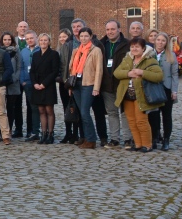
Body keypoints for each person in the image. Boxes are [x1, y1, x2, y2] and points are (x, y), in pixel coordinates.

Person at [114, 37, 164, 153]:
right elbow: (117, 73)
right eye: (132, 47)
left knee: (141, 121)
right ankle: (137, 144)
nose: (134, 49)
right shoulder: (127, 60)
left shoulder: (149, 60)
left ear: (143, 48)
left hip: (141, 95)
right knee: (131, 120)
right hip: (127, 95)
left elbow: (159, 76)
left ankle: (147, 144)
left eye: (137, 47)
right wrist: (128, 73)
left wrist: (142, 73)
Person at [70, 29, 104, 149]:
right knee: (80, 112)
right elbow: (71, 68)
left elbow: (99, 70)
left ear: (90, 37)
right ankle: (85, 137)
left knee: (85, 112)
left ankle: (91, 139)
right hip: (76, 84)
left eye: (86, 36)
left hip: (88, 84)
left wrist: (96, 87)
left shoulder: (95, 50)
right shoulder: (76, 51)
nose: (83, 38)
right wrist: (70, 86)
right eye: (81, 36)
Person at [99, 20, 131, 148]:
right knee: (112, 113)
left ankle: (128, 139)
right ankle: (114, 139)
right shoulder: (101, 44)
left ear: (119, 29)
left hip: (122, 84)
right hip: (107, 85)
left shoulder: (127, 44)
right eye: (108, 30)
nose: (110, 32)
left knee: (124, 113)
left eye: (112, 29)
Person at [28, 33, 61, 144]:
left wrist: (44, 84)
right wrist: (35, 83)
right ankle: (43, 133)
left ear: (49, 42)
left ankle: (50, 134)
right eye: (41, 40)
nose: (43, 42)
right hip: (37, 86)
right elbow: (32, 71)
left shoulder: (54, 54)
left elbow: (55, 71)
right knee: (41, 110)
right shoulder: (36, 54)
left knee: (49, 110)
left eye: (45, 40)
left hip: (48, 85)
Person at [148, 32, 178, 150]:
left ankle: (166, 139)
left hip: (166, 87)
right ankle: (155, 137)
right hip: (153, 88)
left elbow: (175, 75)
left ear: (166, 43)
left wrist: (174, 91)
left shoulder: (171, 56)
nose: (160, 43)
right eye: (158, 40)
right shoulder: (149, 54)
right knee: (153, 115)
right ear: (155, 41)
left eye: (163, 41)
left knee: (166, 115)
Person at [57, 29, 80, 144]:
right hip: (62, 83)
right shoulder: (59, 49)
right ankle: (68, 133)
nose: (62, 39)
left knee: (73, 108)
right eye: (60, 37)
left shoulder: (71, 48)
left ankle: (75, 134)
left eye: (64, 36)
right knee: (66, 108)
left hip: (71, 82)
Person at [0, 32, 24, 139]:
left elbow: (19, 67)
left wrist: (15, 78)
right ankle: (2, 129)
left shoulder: (16, 51)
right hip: (1, 83)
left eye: (9, 40)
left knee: (11, 108)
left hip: (13, 83)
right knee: (1, 108)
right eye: (5, 40)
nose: (7, 42)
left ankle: (9, 129)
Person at [18, 31, 40, 140]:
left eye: (32, 38)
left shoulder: (40, 50)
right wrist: (22, 80)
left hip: (39, 83)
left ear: (36, 38)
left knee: (39, 108)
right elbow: (21, 67)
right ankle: (30, 131)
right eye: (27, 39)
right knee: (31, 108)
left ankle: (39, 130)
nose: (30, 40)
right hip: (27, 82)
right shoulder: (23, 51)